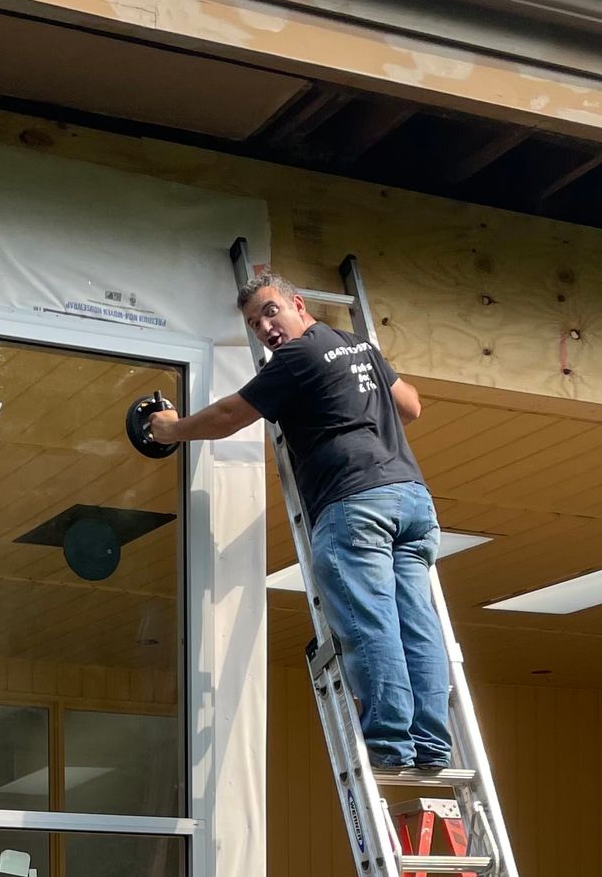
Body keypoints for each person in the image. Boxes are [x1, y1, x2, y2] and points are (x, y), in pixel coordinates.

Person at [144, 274, 450, 776]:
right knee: (416, 622)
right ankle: (433, 746)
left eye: (270, 312)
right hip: (411, 498)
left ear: (298, 304)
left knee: (373, 624)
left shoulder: (296, 358)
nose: (265, 328)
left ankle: (393, 745)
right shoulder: (358, 346)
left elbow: (229, 415)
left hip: (353, 502)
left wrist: (173, 429)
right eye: (253, 323)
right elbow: (411, 406)